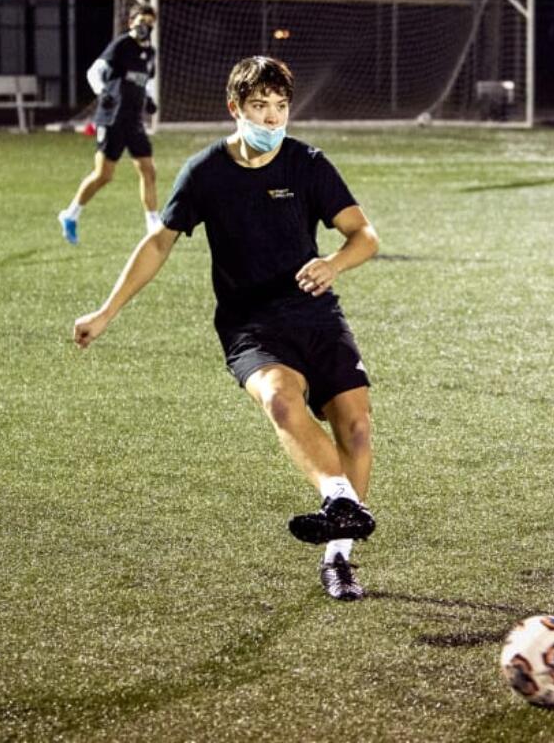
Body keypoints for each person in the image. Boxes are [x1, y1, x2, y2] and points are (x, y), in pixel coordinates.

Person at [71, 56, 381, 602]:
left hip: (314, 312)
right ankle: (338, 497)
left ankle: (339, 557)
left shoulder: (308, 164)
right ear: (235, 108)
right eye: (260, 107)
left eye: (281, 107)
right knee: (281, 399)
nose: (272, 119)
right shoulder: (206, 171)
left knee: (354, 426)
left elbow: (365, 235)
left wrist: (334, 262)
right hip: (249, 323)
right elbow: (159, 243)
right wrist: (106, 311)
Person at [58, 3, 161, 245]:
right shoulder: (121, 45)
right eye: (140, 22)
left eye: (149, 23)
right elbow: (95, 71)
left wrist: (149, 98)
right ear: (131, 23)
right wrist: (102, 91)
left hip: (133, 120)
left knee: (148, 169)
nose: (145, 27)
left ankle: (152, 222)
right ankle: (70, 214)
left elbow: (146, 79)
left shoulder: (151, 52)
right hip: (112, 118)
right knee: (104, 175)